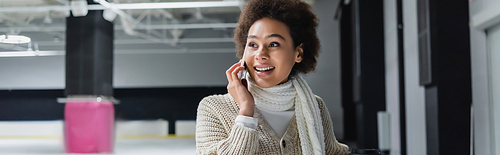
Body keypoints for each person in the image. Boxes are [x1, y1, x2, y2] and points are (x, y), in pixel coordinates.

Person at [195, 0, 349, 154]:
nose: (260, 54)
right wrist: (246, 112)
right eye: (253, 44)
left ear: (298, 53)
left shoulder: (316, 107)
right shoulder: (213, 108)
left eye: (274, 44)